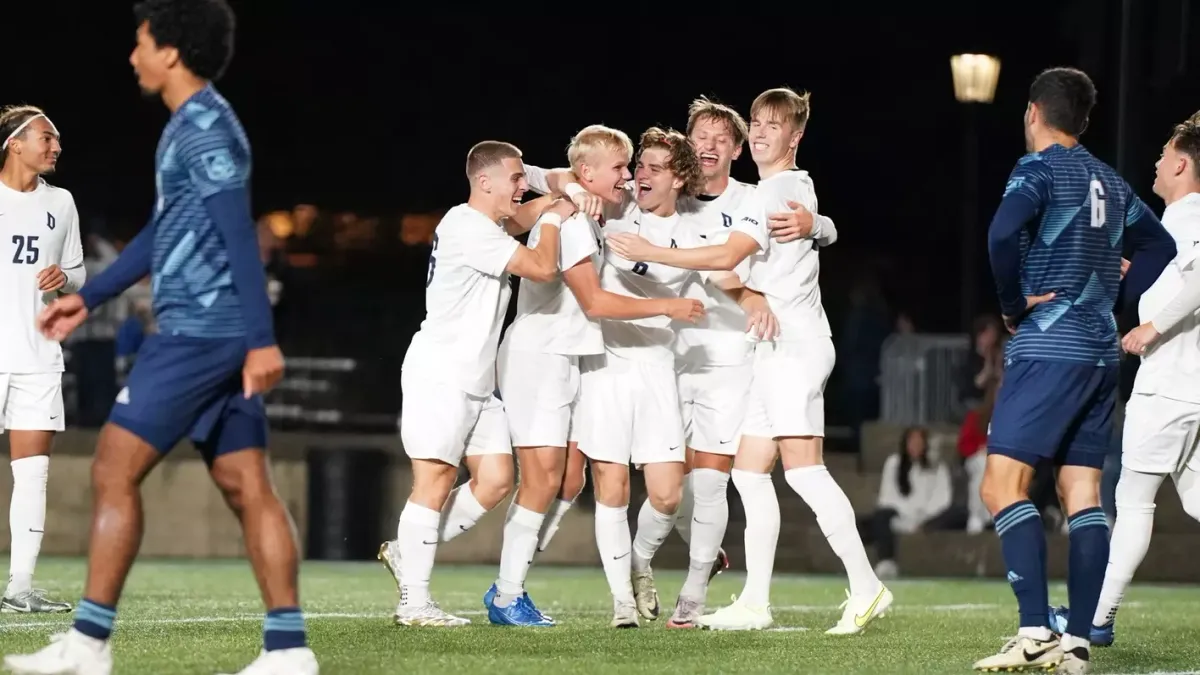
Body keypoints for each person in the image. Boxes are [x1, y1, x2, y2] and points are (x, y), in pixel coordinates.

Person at [5, 3, 318, 674]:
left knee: (112, 468)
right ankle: (289, 650)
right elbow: (163, 231)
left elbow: (239, 231)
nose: (132, 56)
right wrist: (88, 297)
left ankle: (88, 645)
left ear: (170, 52)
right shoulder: (190, 127)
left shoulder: (205, 130)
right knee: (246, 482)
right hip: (215, 333)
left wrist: (262, 340)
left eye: (140, 43)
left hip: (199, 334)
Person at [608, 87, 890, 634]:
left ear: (796, 136)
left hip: (793, 343)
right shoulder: (775, 187)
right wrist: (820, 227)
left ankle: (866, 585)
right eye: (757, 122)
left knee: (805, 471)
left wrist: (655, 253)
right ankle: (756, 601)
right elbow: (768, 247)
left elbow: (729, 256)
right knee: (750, 473)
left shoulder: (776, 188)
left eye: (772, 126)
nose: (761, 132)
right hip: (768, 347)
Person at [974, 67, 1177, 674]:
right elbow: (1159, 247)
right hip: (1099, 352)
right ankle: (1079, 644)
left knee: (1000, 486)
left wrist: (1013, 307)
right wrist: (1121, 296)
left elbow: (1002, 233)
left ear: (1034, 112)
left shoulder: (1036, 169)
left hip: (1049, 346)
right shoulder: (1112, 182)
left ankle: (1035, 628)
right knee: (1082, 493)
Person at [482, 125, 704, 627]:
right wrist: (570, 192)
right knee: (547, 480)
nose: (632, 176)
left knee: (584, 483)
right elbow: (595, 300)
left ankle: (513, 585)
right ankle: (504, 591)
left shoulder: (605, 214)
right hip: (559, 358)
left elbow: (529, 207)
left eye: (642, 167)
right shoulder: (582, 218)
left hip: (580, 360)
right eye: (627, 166)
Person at [382, 139, 579, 629]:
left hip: (474, 378)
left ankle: (407, 551)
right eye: (513, 179)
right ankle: (414, 602)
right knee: (435, 481)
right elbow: (541, 265)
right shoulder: (466, 225)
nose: (521, 186)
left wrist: (561, 187)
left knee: (494, 480)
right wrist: (556, 214)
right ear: (484, 182)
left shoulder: (487, 223)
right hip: (440, 373)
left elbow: (545, 189)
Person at [1048, 118, 1200, 648]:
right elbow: (1179, 277)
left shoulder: (1189, 217)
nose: (1156, 162)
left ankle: (1096, 617)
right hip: (1189, 391)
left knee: (1133, 502)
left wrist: (1151, 328)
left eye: (1164, 153)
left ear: (1181, 163)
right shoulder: (1177, 226)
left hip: (1169, 389)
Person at [0, 105, 84, 615]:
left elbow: (75, 272)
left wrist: (65, 280)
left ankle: (20, 588)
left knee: (32, 474)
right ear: (14, 143)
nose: (55, 146)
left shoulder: (63, 203)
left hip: (37, 356)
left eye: (55, 139)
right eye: (46, 138)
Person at [862, 427, 954, 579]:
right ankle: (886, 561)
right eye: (912, 442)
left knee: (957, 514)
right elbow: (887, 498)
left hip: (928, 518)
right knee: (880, 516)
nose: (915, 446)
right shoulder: (894, 463)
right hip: (899, 516)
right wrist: (907, 515)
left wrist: (922, 518)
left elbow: (943, 499)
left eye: (919, 442)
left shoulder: (937, 467)